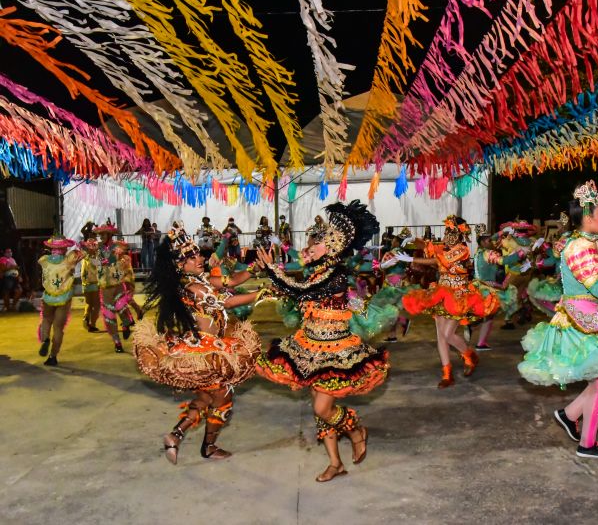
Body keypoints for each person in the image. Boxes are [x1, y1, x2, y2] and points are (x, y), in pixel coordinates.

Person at [255, 200, 389, 482]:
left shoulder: (336, 276)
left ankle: (355, 430)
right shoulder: (317, 270)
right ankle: (335, 463)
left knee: (322, 408)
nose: (310, 246)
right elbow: (301, 287)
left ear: (332, 247)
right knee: (319, 405)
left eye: (317, 242)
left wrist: (272, 271)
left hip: (336, 350)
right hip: (309, 345)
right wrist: (274, 268)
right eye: (312, 241)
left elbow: (301, 290)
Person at [518, 180, 598, 459]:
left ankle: (570, 413)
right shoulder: (579, 247)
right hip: (581, 320)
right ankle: (587, 444)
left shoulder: (592, 244)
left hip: (593, 316)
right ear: (588, 216)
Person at [132, 222, 266, 465]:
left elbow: (231, 282)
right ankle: (208, 446)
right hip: (205, 351)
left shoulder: (201, 280)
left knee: (206, 398)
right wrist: (261, 294)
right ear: (179, 265)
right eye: (191, 257)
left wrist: (256, 268)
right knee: (223, 397)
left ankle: (176, 436)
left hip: (212, 346)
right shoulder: (194, 288)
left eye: (197, 253)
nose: (199, 258)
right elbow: (226, 303)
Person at [401, 216, 500, 388]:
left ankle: (469, 355)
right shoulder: (445, 248)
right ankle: (447, 373)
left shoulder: (462, 250)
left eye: (451, 232)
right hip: (441, 292)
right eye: (446, 231)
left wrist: (412, 260)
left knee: (448, 334)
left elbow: (439, 260)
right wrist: (413, 239)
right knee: (440, 335)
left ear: (459, 235)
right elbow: (429, 246)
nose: (447, 235)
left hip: (458, 296)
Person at [471, 224, 533, 350]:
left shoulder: (478, 252)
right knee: (490, 313)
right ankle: (472, 326)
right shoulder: (488, 253)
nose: (492, 242)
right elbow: (503, 261)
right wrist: (521, 253)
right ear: (483, 242)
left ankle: (481, 343)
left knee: (489, 316)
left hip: (478, 286)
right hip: (487, 288)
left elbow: (493, 240)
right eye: (488, 240)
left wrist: (501, 232)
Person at [38, 235, 83, 366]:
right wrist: (82, 246)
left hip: (48, 297)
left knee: (46, 320)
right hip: (64, 298)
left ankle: (45, 340)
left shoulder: (44, 260)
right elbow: (83, 253)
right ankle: (53, 356)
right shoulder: (69, 260)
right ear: (64, 248)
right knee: (58, 328)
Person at [95, 221, 134, 353]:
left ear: (110, 234)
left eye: (103, 234)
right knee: (109, 316)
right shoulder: (97, 247)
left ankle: (126, 324)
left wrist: (116, 255)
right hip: (105, 287)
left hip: (118, 285)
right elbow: (94, 261)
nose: (101, 236)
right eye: (100, 234)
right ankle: (117, 342)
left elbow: (123, 252)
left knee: (122, 309)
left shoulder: (118, 246)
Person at [80, 237, 101, 332]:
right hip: (94, 283)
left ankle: (85, 317)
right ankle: (92, 324)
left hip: (85, 283)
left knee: (88, 303)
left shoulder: (84, 257)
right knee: (96, 305)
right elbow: (99, 265)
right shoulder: (93, 258)